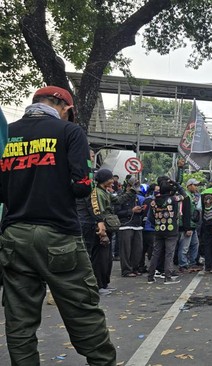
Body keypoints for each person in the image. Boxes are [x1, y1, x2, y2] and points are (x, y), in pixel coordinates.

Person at [0, 86, 116, 364]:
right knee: (83, 311)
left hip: (14, 236)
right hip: (58, 236)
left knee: (19, 320)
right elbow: (81, 186)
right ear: (63, 107)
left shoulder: (8, 133)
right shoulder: (69, 132)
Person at [115, 176, 144, 277]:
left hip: (137, 225)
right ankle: (126, 270)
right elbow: (117, 212)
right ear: (127, 186)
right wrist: (131, 211)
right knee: (126, 250)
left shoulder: (136, 197)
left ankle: (134, 268)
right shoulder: (121, 197)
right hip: (125, 225)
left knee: (138, 249)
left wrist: (141, 210)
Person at [178, 178, 201, 272]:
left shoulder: (192, 196)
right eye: (195, 185)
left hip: (193, 225)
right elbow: (185, 213)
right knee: (184, 246)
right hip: (187, 225)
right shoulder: (186, 196)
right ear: (189, 186)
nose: (196, 187)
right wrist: (187, 228)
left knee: (195, 244)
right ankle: (183, 265)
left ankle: (192, 263)